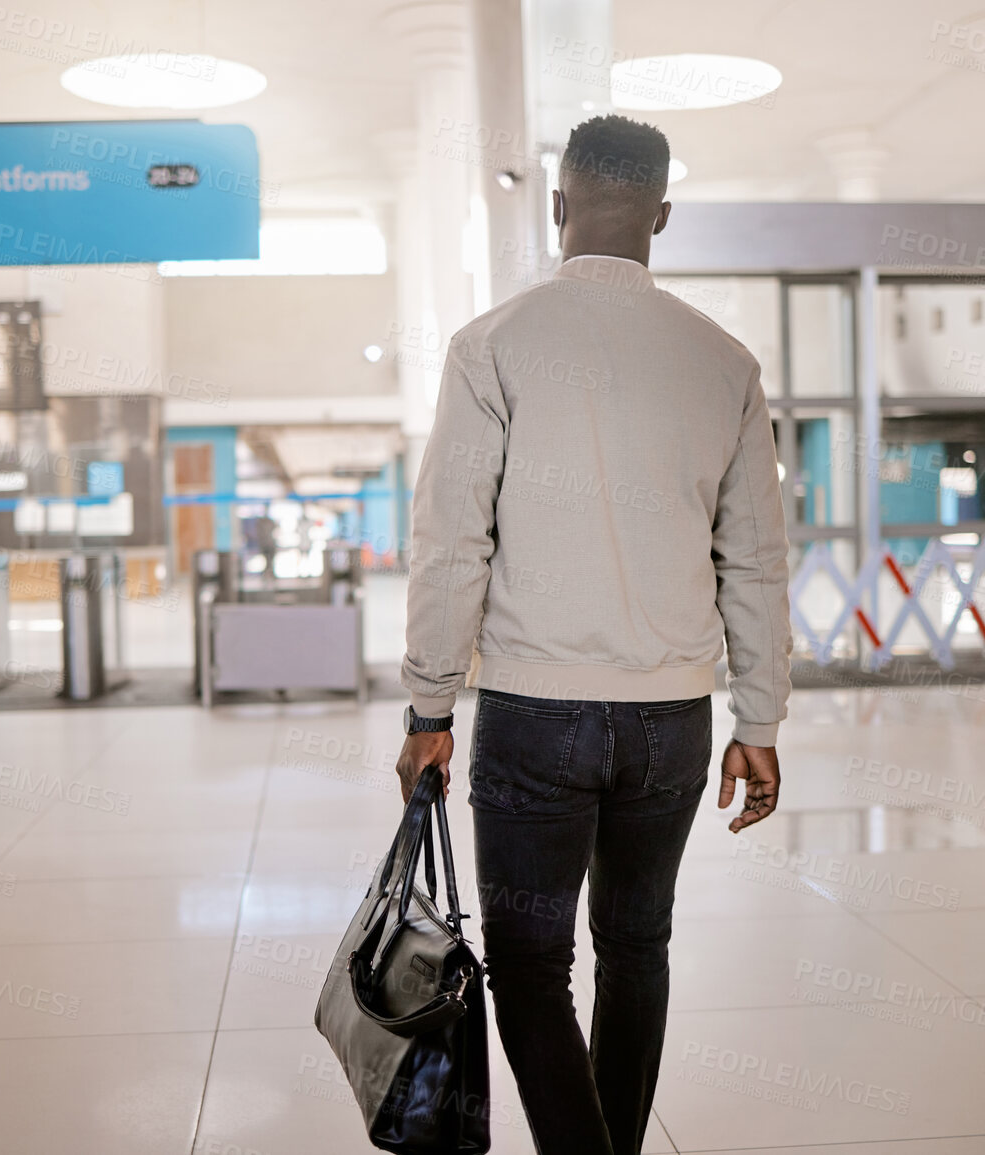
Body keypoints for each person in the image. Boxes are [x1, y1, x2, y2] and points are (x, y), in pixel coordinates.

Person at [394, 115, 791, 1155]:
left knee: (531, 966)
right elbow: (753, 557)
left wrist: (430, 705)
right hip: (673, 721)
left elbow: (450, 546)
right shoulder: (725, 362)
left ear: (558, 205)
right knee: (636, 945)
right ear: (662, 214)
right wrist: (761, 715)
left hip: (534, 715)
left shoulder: (493, 346)